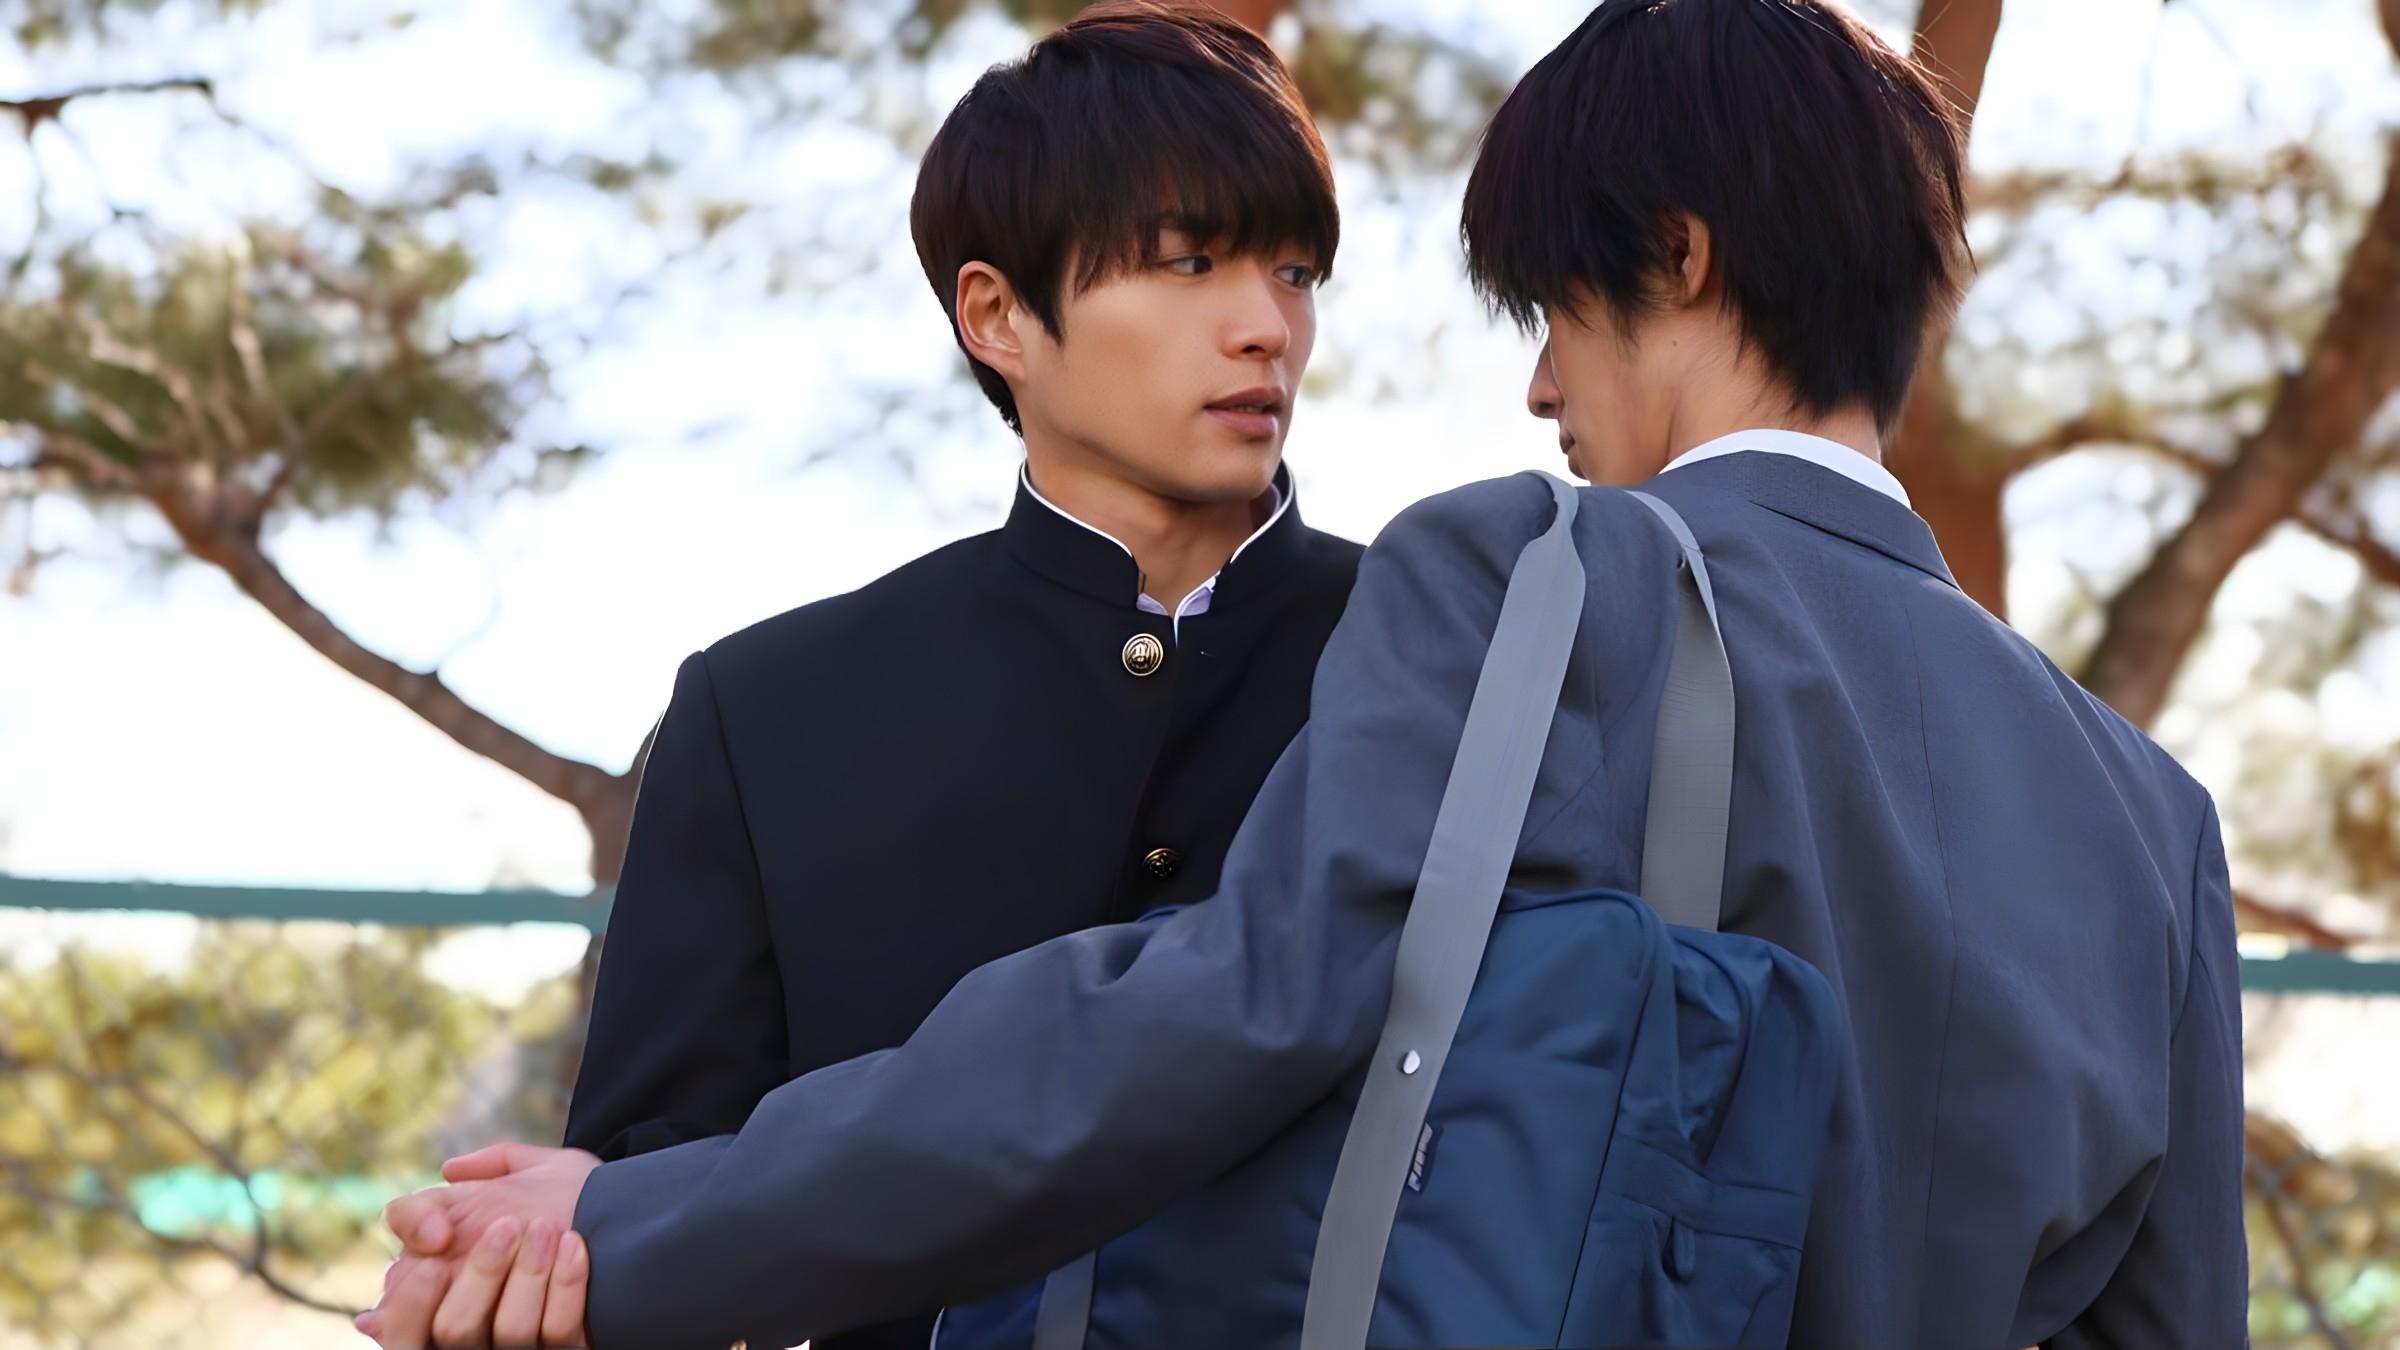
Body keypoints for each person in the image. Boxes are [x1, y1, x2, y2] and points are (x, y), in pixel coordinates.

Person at [369, 2, 2247, 1347]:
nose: (1538, 383)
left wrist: (636, 1218)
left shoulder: (1541, 578)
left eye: (1553, 308)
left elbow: (1238, 1003)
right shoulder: (2151, 815)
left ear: (1674, 259)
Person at [355, 4, 1360, 1347]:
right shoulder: (770, 710)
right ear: (998, 315)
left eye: (1294, 272)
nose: (1265, 327)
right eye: (1190, 263)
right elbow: (654, 1188)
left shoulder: (1433, 655)